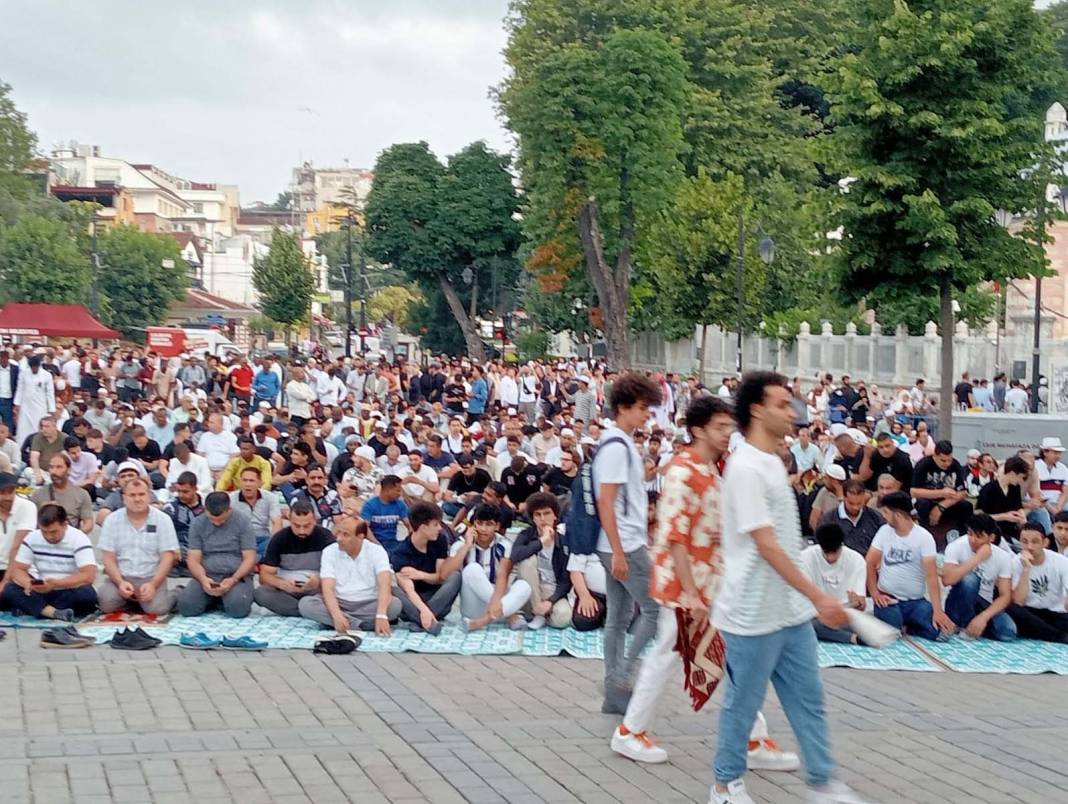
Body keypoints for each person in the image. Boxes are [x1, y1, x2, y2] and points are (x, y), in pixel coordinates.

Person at [610, 395, 796, 771]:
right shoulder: (683, 471)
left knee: (724, 658)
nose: (728, 433)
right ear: (698, 430)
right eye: (720, 427)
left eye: (730, 426)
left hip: (709, 583)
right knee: (673, 654)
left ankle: (749, 737)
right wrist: (691, 592)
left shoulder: (709, 469)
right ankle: (631, 731)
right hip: (687, 586)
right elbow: (675, 537)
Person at [711, 372, 862, 804]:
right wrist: (818, 595)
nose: (791, 411)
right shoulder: (743, 468)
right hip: (752, 612)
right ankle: (724, 784)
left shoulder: (773, 462)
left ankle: (822, 782)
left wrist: (807, 599)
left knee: (809, 701)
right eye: (781, 403)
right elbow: (766, 544)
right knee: (742, 706)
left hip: (790, 611)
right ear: (756, 409)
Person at [595, 373, 663, 716]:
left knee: (619, 618)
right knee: (656, 611)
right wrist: (620, 551)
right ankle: (622, 677)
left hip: (618, 542)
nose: (646, 415)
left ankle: (614, 691)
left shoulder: (619, 443)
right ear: (623, 408)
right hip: (623, 543)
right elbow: (606, 501)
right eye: (641, 408)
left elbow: (620, 496)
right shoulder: (617, 445)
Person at [867, 491, 954, 641]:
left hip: (915, 601)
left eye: (887, 513)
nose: (884, 517)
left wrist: (938, 610)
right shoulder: (884, 532)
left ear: (898, 515)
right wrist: (874, 592)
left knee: (942, 634)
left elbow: (931, 576)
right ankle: (904, 625)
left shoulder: (924, 537)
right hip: (889, 598)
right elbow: (870, 562)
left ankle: (911, 626)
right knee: (891, 632)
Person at [298, 516, 402, 634]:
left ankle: (344, 623)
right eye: (338, 533)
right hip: (340, 603)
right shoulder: (330, 551)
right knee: (306, 605)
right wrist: (337, 615)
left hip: (370, 602)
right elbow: (327, 588)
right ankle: (359, 625)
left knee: (395, 605)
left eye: (345, 535)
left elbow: (384, 585)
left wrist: (381, 615)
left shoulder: (377, 551)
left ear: (360, 537)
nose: (339, 539)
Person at [0, 503, 97, 620]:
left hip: (68, 587)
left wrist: (56, 584)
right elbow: (18, 569)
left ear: (65, 525)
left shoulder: (79, 539)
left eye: (54, 532)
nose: (49, 536)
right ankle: (53, 612)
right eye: (44, 532)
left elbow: (88, 575)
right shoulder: (32, 538)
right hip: (41, 588)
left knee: (87, 595)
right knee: (10, 589)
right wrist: (28, 583)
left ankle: (34, 609)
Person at [97, 477, 179, 615]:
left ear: (149, 496)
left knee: (157, 609)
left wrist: (153, 584)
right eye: (132, 495)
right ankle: (134, 603)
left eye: (141, 494)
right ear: (124, 498)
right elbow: (108, 557)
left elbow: (167, 557)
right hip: (121, 577)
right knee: (106, 603)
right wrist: (120, 582)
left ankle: (176, 593)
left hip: (151, 577)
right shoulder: (112, 520)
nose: (137, 499)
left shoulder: (163, 520)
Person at [499, 492, 574, 630]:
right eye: (538, 515)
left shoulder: (564, 540)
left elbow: (566, 579)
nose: (543, 519)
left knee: (563, 618)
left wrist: (551, 601)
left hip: (552, 589)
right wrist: (541, 542)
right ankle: (538, 613)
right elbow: (515, 555)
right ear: (533, 518)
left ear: (555, 515)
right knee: (528, 561)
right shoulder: (526, 535)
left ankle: (536, 612)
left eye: (547, 513)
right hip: (529, 586)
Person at [176, 492, 257, 618]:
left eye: (221, 520)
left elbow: (249, 558)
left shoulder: (243, 522)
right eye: (212, 519)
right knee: (187, 607)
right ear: (205, 510)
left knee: (238, 609)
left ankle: (222, 599)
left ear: (229, 509)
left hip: (236, 576)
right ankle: (212, 598)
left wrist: (234, 579)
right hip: (207, 575)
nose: (217, 523)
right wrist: (202, 579)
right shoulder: (198, 523)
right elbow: (193, 558)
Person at [454, 503, 531, 631]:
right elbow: (445, 573)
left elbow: (502, 576)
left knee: (524, 586)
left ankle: (481, 622)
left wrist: (496, 602)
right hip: (473, 607)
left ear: (497, 526)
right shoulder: (462, 543)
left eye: (489, 524)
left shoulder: (504, 544)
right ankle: (511, 615)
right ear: (473, 525)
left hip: (497, 604)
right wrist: (467, 546)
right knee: (473, 569)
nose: (483, 529)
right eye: (479, 523)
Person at [253, 499, 335, 616]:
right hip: (288, 591)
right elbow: (264, 576)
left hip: (318, 590)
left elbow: (338, 571)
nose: (302, 530)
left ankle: (308, 609)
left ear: (314, 521)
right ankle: (307, 611)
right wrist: (282, 584)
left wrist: (318, 582)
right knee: (260, 593)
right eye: (296, 526)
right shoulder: (279, 538)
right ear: (290, 521)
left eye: (307, 526)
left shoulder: (326, 537)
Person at [942, 514, 1016, 641]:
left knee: (1007, 632)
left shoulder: (1003, 557)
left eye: (979, 536)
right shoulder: (956, 546)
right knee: (970, 579)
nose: (973, 540)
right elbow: (947, 579)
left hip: (983, 604)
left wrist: (984, 617)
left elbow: (1005, 596)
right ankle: (961, 624)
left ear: (991, 537)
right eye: (970, 534)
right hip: (958, 601)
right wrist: (977, 558)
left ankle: (975, 626)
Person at [390, 502, 461, 634]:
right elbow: (409, 591)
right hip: (414, 603)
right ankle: (426, 620)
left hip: (438, 599)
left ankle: (421, 621)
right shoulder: (400, 553)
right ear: (423, 527)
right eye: (435, 525)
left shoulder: (439, 540)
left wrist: (420, 574)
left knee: (455, 575)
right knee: (392, 588)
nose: (439, 528)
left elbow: (440, 577)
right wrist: (424, 610)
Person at [801, 523, 868, 644]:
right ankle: (852, 639)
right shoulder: (806, 557)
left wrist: (859, 603)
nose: (830, 557)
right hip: (816, 615)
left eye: (834, 552)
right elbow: (804, 600)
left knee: (866, 622)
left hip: (844, 616)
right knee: (805, 625)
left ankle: (847, 635)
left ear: (841, 545)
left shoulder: (856, 560)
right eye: (826, 552)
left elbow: (860, 604)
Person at [1006, 523, 1068, 642]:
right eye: (1024, 541)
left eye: (1035, 542)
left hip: (1054, 613)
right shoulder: (1015, 562)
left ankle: (1046, 632)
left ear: (1045, 542)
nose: (1029, 546)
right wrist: (1026, 569)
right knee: (1012, 609)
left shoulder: (1061, 562)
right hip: (1029, 613)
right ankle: (1057, 636)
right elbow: (1018, 602)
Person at [911, 440, 973, 540]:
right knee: (922, 505)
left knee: (966, 506)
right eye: (943, 460)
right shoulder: (923, 465)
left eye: (949, 460)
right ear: (935, 456)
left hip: (947, 502)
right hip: (927, 500)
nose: (947, 464)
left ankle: (961, 536)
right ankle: (924, 536)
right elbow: (914, 491)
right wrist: (940, 493)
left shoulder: (955, 465)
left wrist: (941, 506)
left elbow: (962, 492)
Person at [817, 479, 884, 556]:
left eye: (859, 503)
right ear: (844, 497)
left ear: (864, 497)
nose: (855, 507)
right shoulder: (829, 520)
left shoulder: (876, 519)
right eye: (851, 503)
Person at [31, 453, 94, 534]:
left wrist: (76, 536)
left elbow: (88, 524)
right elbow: (30, 522)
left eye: (59, 467)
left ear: (69, 470)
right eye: (51, 467)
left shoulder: (82, 494)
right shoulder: (38, 494)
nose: (54, 471)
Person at [976, 455, 1030, 547]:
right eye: (1020, 477)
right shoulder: (988, 489)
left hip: (1011, 530)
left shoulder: (1015, 487)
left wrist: (1023, 519)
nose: (1021, 481)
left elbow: (1018, 506)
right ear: (1012, 473)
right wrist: (1003, 517)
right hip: (992, 532)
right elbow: (978, 516)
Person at [230, 466, 284, 558]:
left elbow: (277, 522)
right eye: (244, 480)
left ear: (259, 483)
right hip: (240, 539)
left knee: (276, 546)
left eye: (251, 481)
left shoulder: (271, 498)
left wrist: (274, 542)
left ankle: (251, 561)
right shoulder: (231, 498)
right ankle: (257, 561)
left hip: (263, 539)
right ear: (240, 482)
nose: (247, 484)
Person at [0, 471, 36, 594]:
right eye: (2, 493)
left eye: (10, 492)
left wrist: (5, 581)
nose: (7, 497)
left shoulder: (27, 507)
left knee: (13, 591)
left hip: (18, 568)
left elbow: (18, 546)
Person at [163, 471, 204, 573]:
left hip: (200, 548)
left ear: (195, 489)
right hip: (178, 547)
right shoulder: (171, 507)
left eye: (185, 492)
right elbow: (164, 533)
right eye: (179, 491)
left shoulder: (206, 507)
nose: (181, 495)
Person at [360, 476, 410, 555]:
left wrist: (408, 542)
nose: (400, 494)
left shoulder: (400, 505)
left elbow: (409, 524)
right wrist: (377, 545)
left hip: (393, 542)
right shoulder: (369, 505)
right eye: (397, 491)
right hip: (373, 543)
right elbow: (365, 528)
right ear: (388, 490)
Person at [14, 355, 56, 446]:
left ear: (39, 366)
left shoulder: (47, 375)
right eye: (32, 368)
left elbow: (50, 393)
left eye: (35, 367)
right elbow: (20, 389)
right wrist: (17, 404)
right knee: (23, 427)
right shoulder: (23, 373)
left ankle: (38, 445)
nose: (34, 369)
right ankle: (22, 446)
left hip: (40, 406)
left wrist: (52, 409)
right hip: (25, 405)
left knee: (38, 426)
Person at [291, 465, 343, 531]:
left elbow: (338, 522)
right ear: (306, 480)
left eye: (320, 478)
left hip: (328, 535)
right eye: (312, 478)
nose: (316, 482)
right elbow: (296, 523)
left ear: (325, 479)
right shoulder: (297, 498)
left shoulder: (333, 496)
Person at [1035, 437, 1068, 516]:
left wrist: (1059, 508)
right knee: (1042, 513)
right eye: (1055, 453)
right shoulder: (1035, 466)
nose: (1058, 456)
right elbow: (1035, 493)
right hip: (1040, 504)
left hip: (1058, 504)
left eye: (1059, 453)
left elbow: (1065, 491)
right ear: (1045, 452)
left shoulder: (1063, 468)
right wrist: (1052, 510)